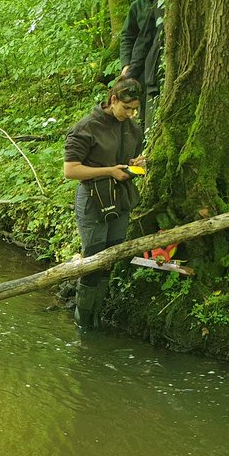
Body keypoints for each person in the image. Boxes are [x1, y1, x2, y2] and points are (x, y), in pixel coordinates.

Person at [63, 77, 145, 329]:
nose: (130, 114)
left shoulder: (132, 128)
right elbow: (71, 170)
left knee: (111, 257)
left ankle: (96, 316)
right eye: (126, 108)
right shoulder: (87, 127)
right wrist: (109, 171)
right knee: (93, 261)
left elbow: (129, 158)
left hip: (120, 199)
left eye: (134, 109)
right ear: (113, 100)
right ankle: (83, 321)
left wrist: (137, 164)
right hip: (92, 201)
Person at [119, 0, 162, 88]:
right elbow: (127, 36)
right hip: (140, 65)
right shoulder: (137, 6)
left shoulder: (171, 3)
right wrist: (126, 63)